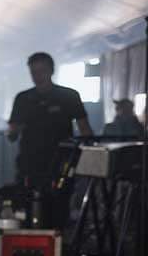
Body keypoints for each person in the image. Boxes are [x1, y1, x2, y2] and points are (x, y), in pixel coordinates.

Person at [7, 51, 92, 187]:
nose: (38, 76)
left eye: (42, 71)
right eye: (34, 72)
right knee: (29, 198)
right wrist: (14, 131)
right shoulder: (23, 99)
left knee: (60, 199)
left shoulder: (69, 97)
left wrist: (89, 158)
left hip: (61, 164)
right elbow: (11, 135)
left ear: (52, 71)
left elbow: (85, 130)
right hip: (30, 164)